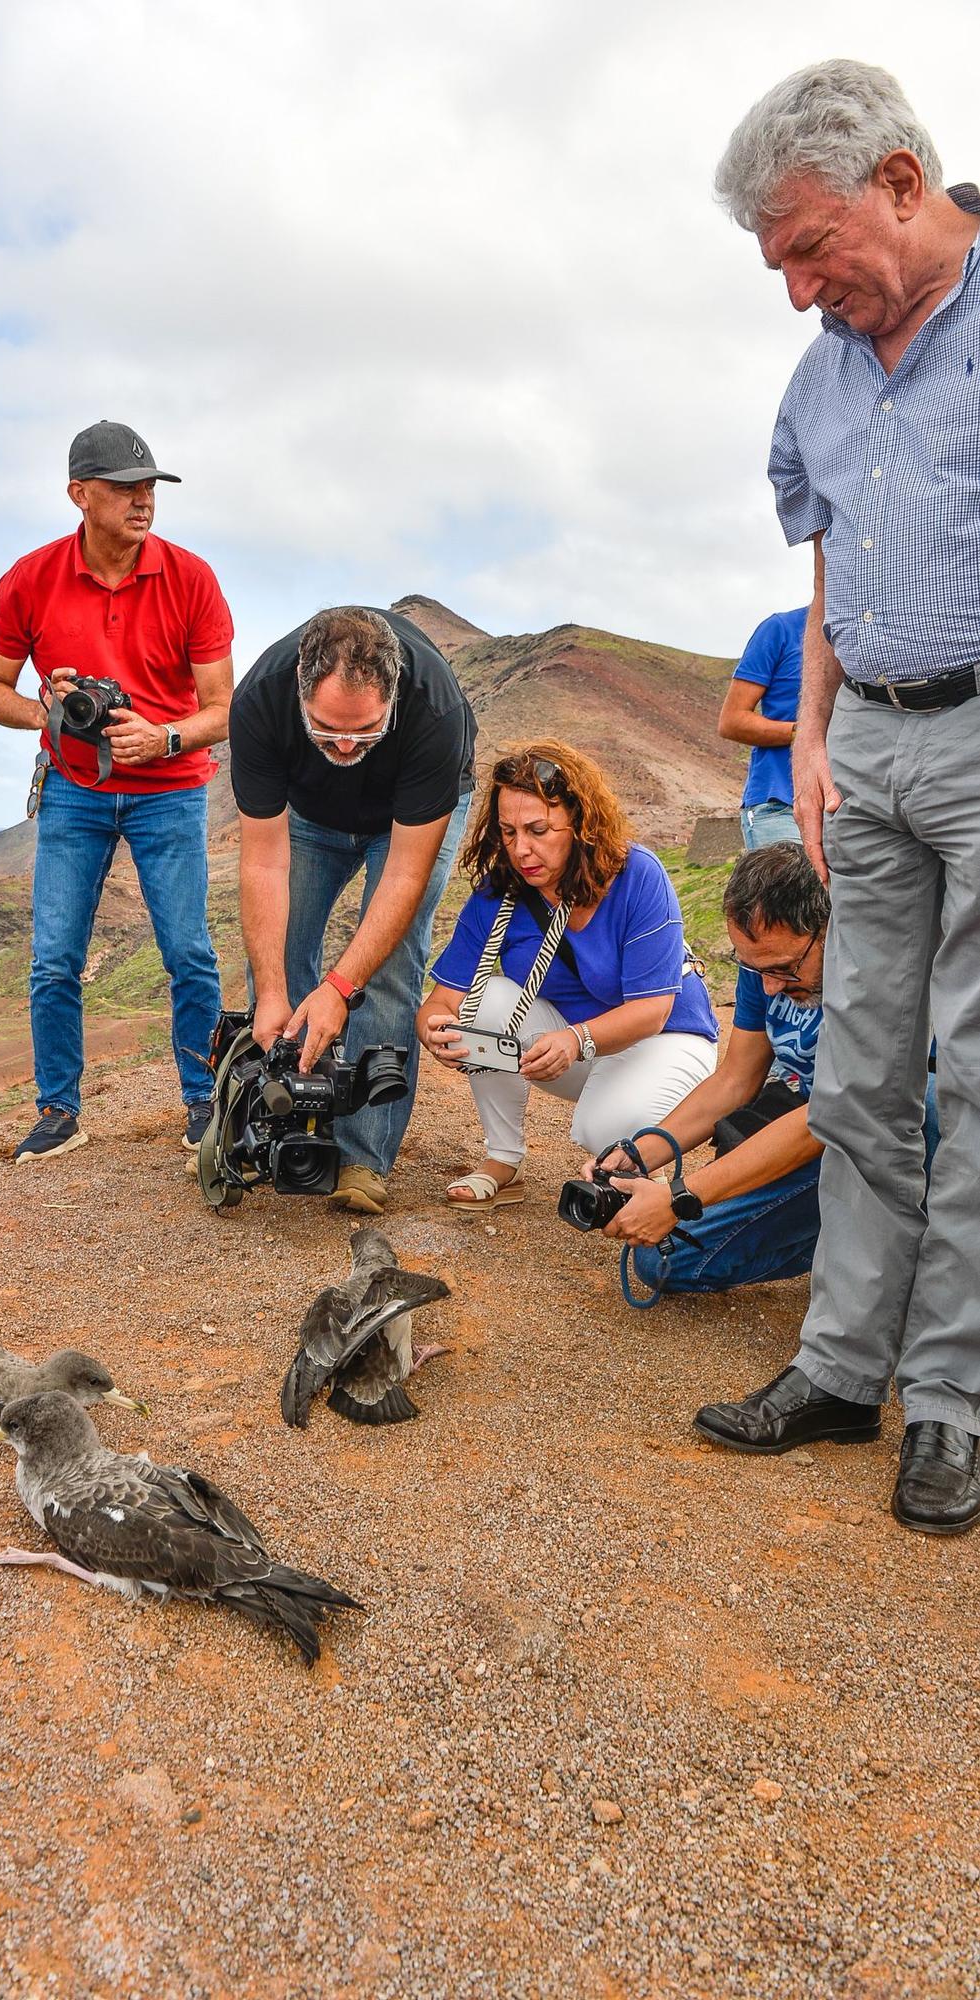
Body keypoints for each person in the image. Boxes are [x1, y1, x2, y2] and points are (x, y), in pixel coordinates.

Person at [705, 60, 980, 1534]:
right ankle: (837, 1369)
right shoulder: (820, 378)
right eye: (777, 262)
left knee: (977, 1076)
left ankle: (950, 1403)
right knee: (859, 1068)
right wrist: (809, 733)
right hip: (861, 748)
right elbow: (823, 565)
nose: (799, 288)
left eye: (809, 248)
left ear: (898, 179)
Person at [0, 421, 234, 1162]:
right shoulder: (32, 577)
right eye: (124, 488)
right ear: (79, 494)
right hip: (74, 791)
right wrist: (45, 712)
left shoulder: (191, 578)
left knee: (187, 951)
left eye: (149, 487)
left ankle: (203, 1102)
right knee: (54, 957)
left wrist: (164, 737)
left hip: (171, 790)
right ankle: (59, 1111)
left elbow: (221, 708)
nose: (142, 500)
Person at [590, 844, 939, 1292]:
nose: (770, 986)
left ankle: (896, 1252)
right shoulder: (765, 963)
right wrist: (639, 1154)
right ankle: (852, 1243)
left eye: (785, 969)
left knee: (928, 1099)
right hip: (803, 1135)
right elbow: (736, 1079)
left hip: (864, 1135)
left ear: (832, 926)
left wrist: (681, 1196)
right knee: (664, 1262)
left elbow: (827, 1116)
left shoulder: (879, 974)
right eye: (755, 969)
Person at [228, 605, 476, 1216]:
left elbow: (405, 874)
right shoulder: (259, 699)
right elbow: (262, 863)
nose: (344, 744)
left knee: (386, 968)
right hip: (311, 818)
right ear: (299, 692)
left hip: (408, 826)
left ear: (392, 700)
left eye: (365, 731)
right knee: (280, 961)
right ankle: (267, 1133)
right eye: (325, 728)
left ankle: (363, 1157)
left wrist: (340, 986)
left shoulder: (435, 712)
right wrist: (270, 992)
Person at [418, 741, 718, 1208]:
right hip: (574, 1048)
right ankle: (503, 1159)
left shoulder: (637, 874)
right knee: (484, 1004)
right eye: (508, 831)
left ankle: (646, 1172)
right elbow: (444, 999)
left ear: (580, 822)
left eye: (538, 830)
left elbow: (652, 1011)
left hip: (665, 1040)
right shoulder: (499, 892)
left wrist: (576, 1040)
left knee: (600, 1127)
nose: (521, 849)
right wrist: (434, 1029)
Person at [718, 606, 808, 849]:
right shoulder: (780, 629)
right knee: (786, 888)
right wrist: (807, 732)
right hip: (780, 805)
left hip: (856, 806)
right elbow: (732, 721)